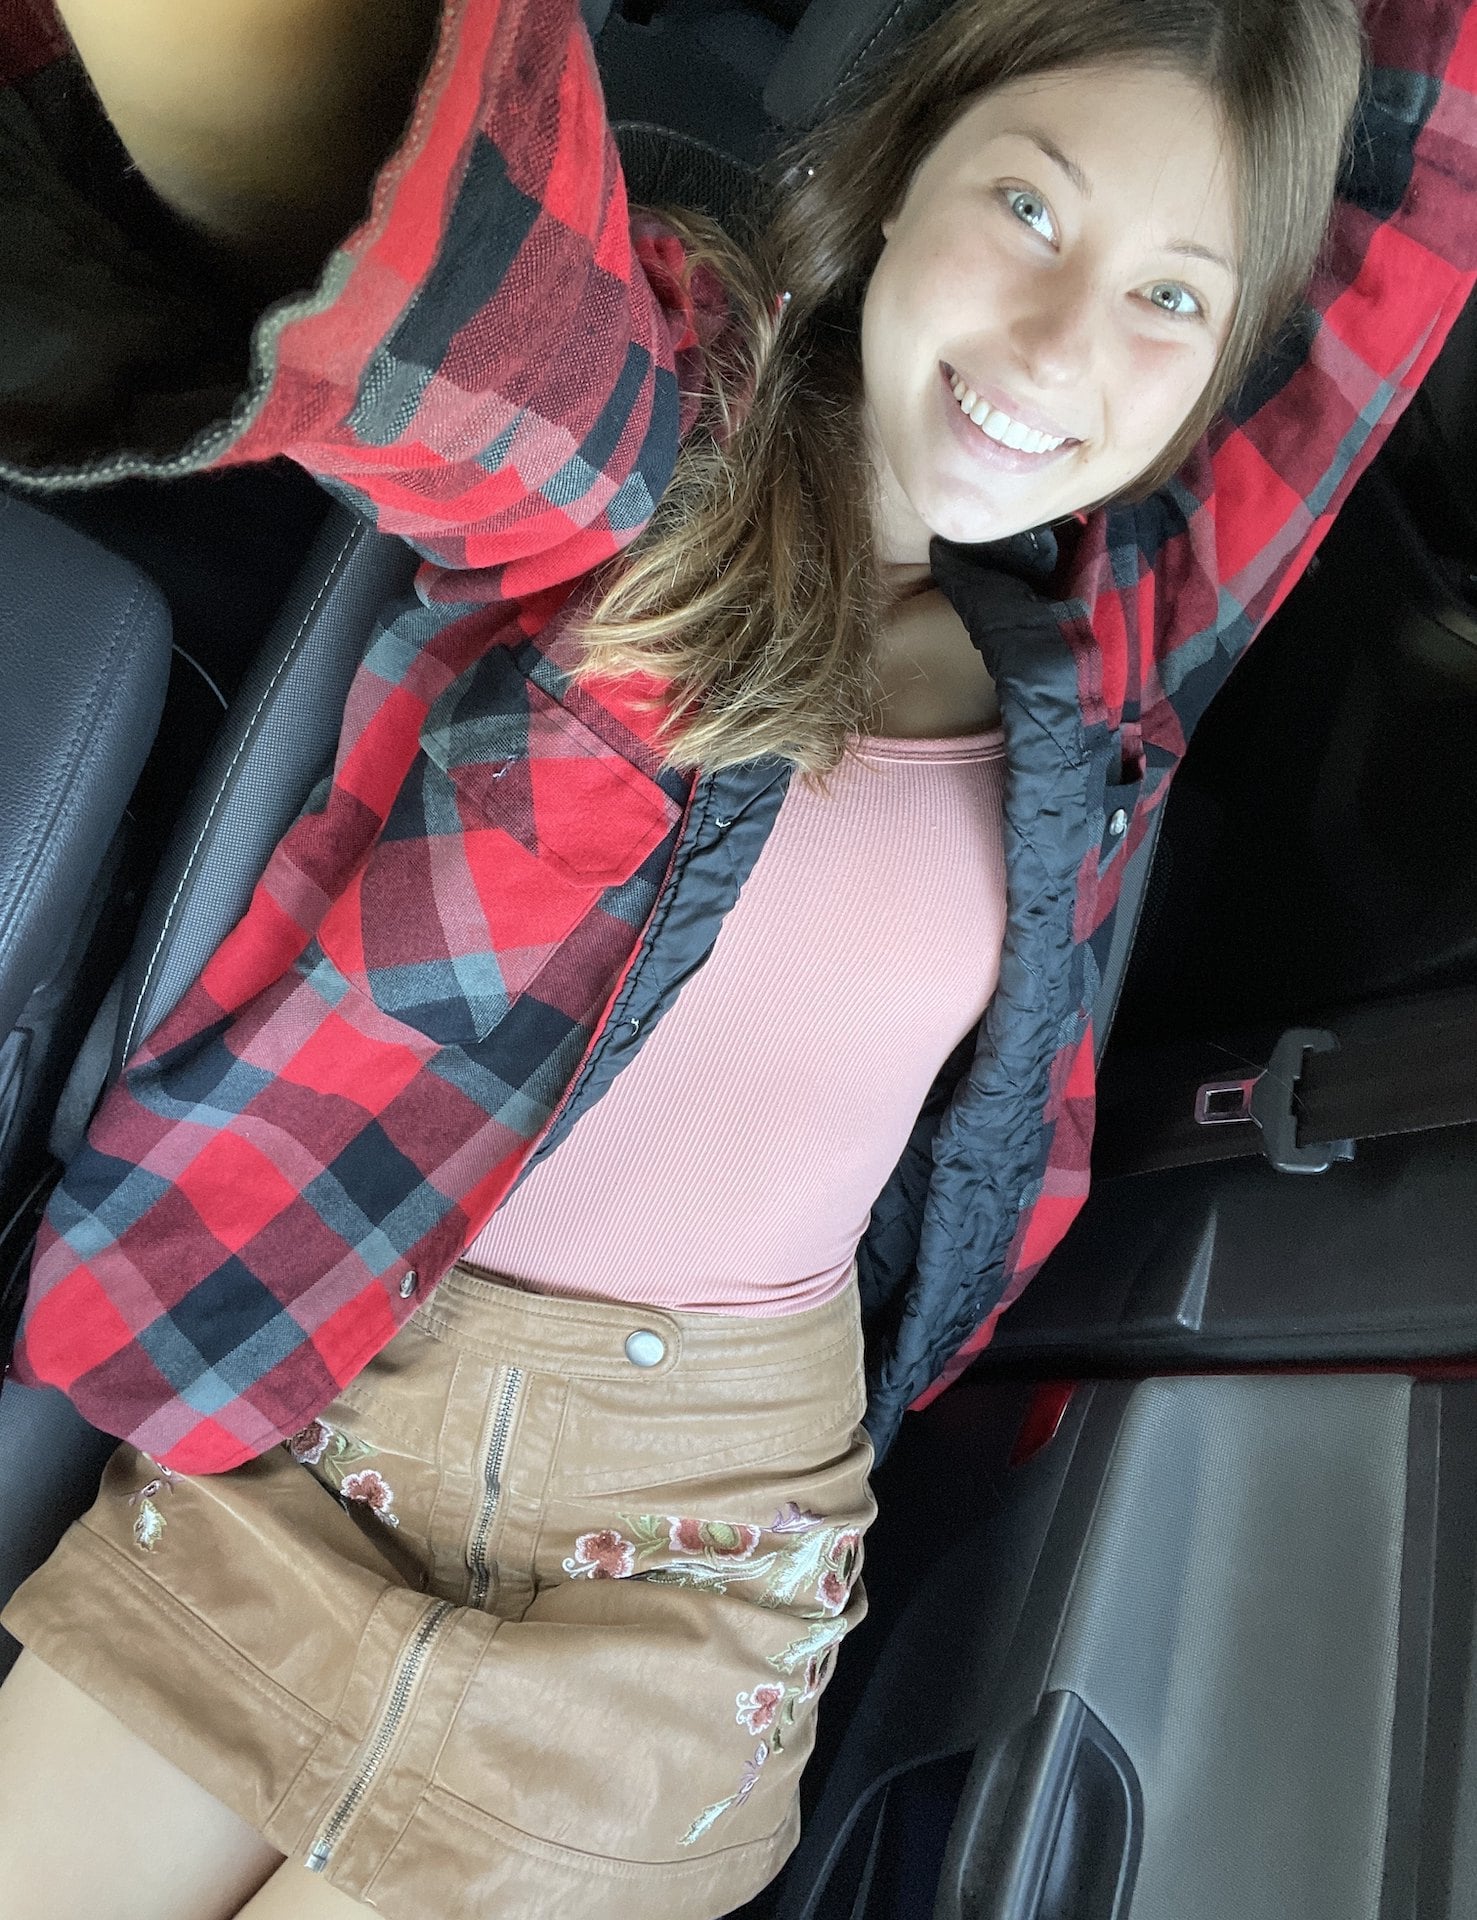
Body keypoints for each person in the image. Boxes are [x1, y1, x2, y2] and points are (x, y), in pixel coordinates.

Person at [0, 0, 1471, 1914]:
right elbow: (442, 275)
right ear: (900, 177)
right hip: (314, 1401)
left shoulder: (1114, 666)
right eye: (1029, 208)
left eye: (1170, 299)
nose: (1060, 345)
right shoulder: (645, 473)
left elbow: (1407, 206)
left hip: (699, 1558)